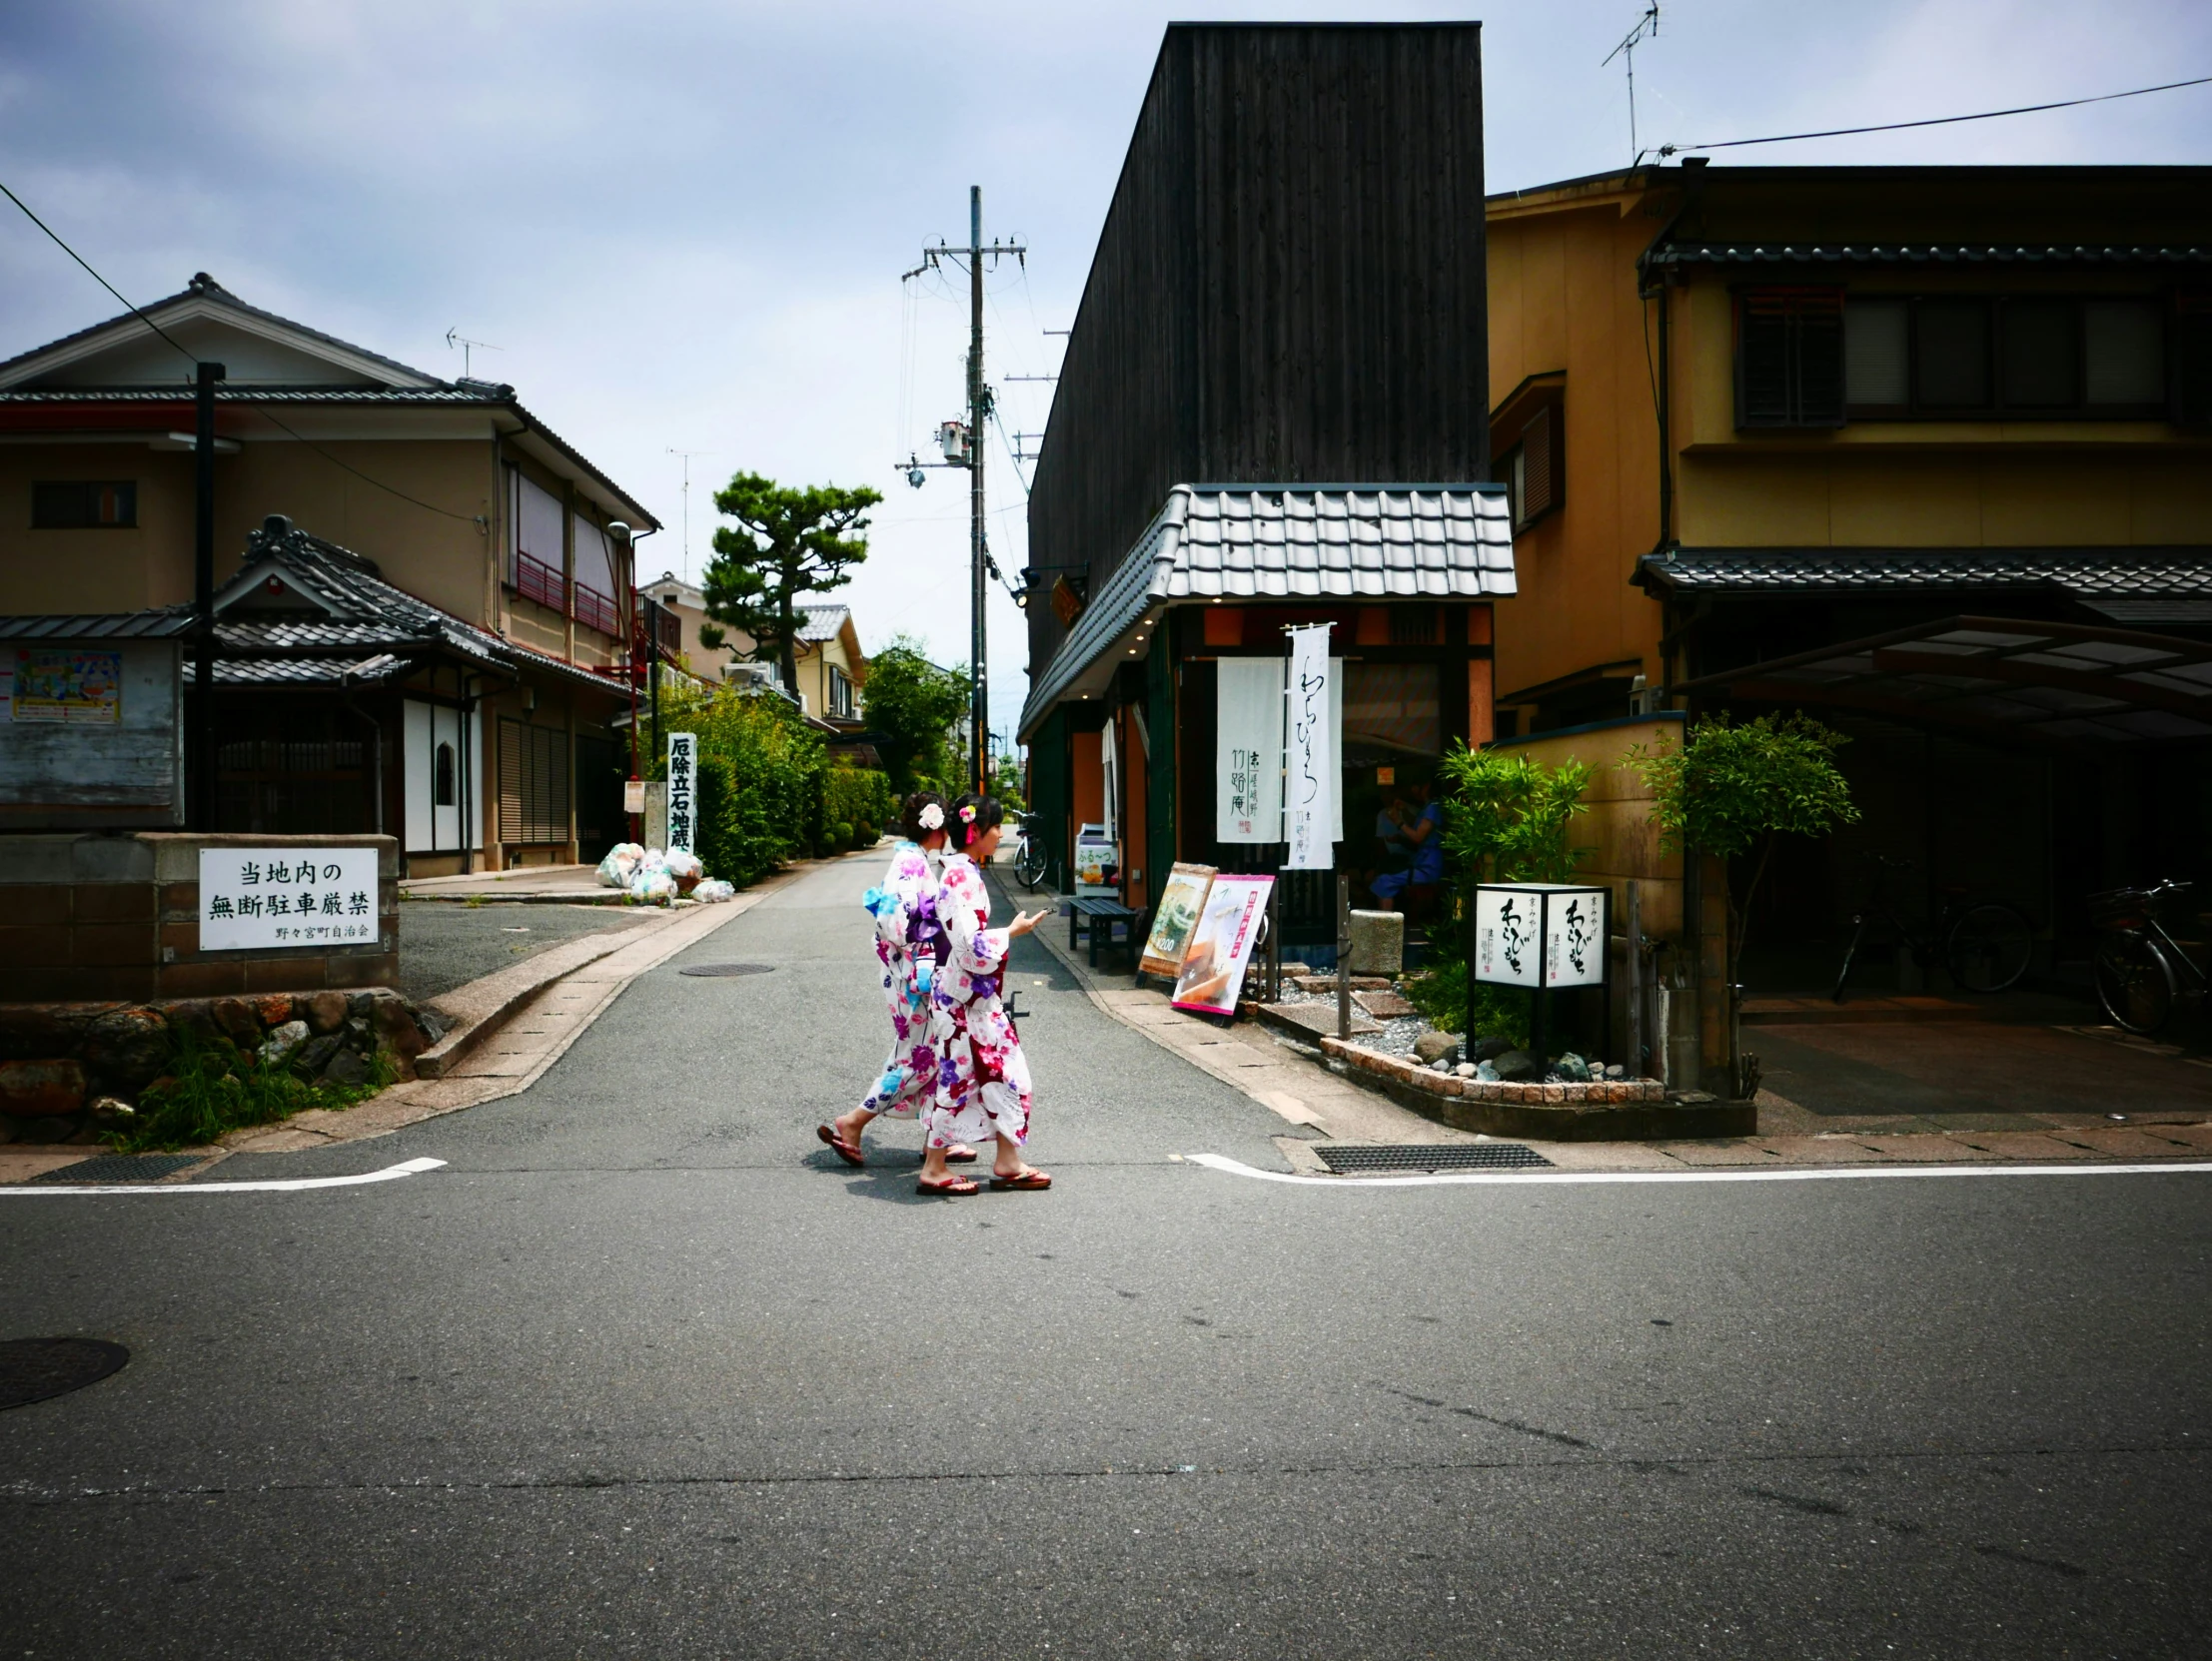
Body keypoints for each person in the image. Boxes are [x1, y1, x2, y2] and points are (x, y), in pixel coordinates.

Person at [817, 792, 977, 1169]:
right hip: (911, 973)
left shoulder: (916, 860)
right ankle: (854, 1121)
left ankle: (935, 1137)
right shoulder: (911, 864)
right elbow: (899, 924)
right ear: (936, 828)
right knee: (920, 1057)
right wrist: (930, 926)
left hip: (909, 969)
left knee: (931, 1050)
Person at [918, 794, 1051, 1197]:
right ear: (974, 831)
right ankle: (934, 1168)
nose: (1000, 834)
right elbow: (968, 946)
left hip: (970, 1001)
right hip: (965, 1004)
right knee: (962, 1081)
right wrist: (1011, 932)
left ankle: (1006, 1160)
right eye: (995, 827)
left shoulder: (962, 872)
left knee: (1001, 1076)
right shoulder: (961, 877)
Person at [1371, 777, 1444, 920]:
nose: (1414, 790)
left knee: (1384, 882)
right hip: (1421, 861)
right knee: (1386, 870)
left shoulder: (1433, 807)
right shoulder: (1430, 806)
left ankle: (1386, 931)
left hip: (1428, 866)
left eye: (1417, 786)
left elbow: (1418, 837)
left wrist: (1398, 822)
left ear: (1427, 786)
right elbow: (1416, 827)